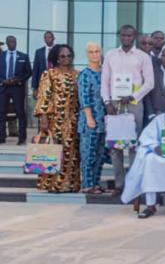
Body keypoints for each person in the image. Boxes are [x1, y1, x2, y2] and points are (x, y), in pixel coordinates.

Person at [101, 25, 155, 196]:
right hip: (114, 104)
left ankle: (133, 184)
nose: (126, 38)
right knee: (115, 146)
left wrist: (133, 96)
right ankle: (119, 184)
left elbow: (150, 83)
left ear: (134, 36)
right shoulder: (110, 55)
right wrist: (107, 102)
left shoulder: (143, 56)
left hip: (134, 103)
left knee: (133, 145)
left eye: (129, 35)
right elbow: (105, 81)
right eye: (123, 35)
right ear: (120, 36)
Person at [35, 44, 80, 193]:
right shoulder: (49, 74)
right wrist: (43, 118)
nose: (66, 58)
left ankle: (70, 185)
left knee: (71, 153)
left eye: (69, 55)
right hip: (55, 120)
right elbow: (44, 96)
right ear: (57, 58)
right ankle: (53, 185)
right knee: (54, 151)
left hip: (73, 119)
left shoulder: (78, 74)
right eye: (63, 56)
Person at [77, 43, 107, 194]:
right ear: (87, 54)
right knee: (88, 154)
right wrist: (89, 117)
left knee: (100, 154)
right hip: (90, 121)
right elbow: (84, 98)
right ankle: (87, 185)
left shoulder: (105, 72)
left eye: (97, 51)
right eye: (91, 52)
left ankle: (96, 183)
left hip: (104, 121)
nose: (94, 54)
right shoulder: (84, 74)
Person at [0, 35, 31, 145]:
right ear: (7, 43)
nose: (13, 43)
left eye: (14, 41)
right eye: (11, 41)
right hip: (3, 88)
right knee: (1, 113)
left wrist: (17, 80)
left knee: (20, 113)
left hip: (17, 88)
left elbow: (28, 72)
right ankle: (1, 137)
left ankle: (22, 138)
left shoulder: (24, 56)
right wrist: (3, 81)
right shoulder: (1, 56)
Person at [31, 30, 55, 99]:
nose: (48, 39)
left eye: (49, 37)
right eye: (46, 37)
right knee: (43, 102)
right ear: (44, 39)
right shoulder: (39, 52)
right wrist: (34, 88)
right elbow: (35, 70)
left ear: (53, 38)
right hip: (42, 82)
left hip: (55, 81)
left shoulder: (58, 50)